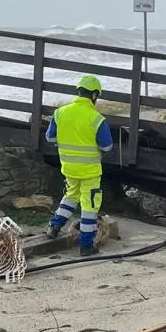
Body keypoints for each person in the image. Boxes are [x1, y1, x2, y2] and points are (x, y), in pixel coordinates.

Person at [46, 75, 113, 255]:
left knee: (70, 196)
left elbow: (50, 137)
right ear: (94, 95)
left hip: (68, 167)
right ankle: (86, 246)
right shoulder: (97, 119)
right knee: (89, 207)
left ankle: (54, 227)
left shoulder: (60, 113)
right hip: (89, 171)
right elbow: (107, 146)